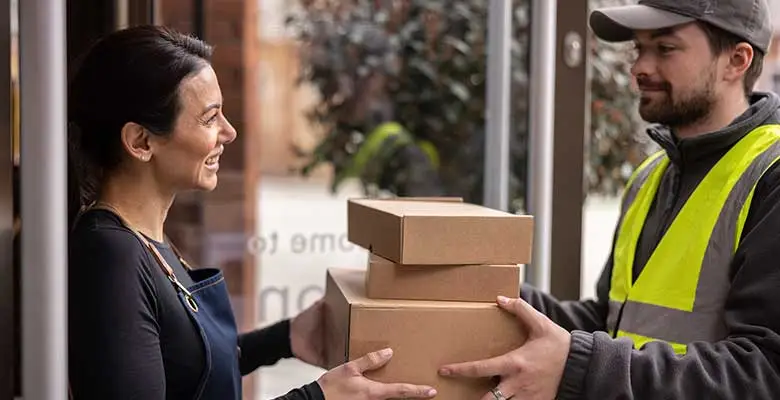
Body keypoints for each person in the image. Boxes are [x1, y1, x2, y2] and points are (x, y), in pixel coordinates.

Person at [66, 25, 438, 400]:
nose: (228, 133)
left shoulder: (146, 240)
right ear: (141, 141)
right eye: (210, 118)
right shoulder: (111, 255)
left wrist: (283, 338)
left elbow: (184, 367)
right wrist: (317, 397)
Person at [437, 0, 780, 399]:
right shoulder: (651, 178)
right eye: (639, 48)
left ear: (736, 61)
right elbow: (612, 321)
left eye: (665, 49)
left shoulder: (771, 176)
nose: (639, 68)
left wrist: (579, 366)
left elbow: (765, 372)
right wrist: (495, 292)